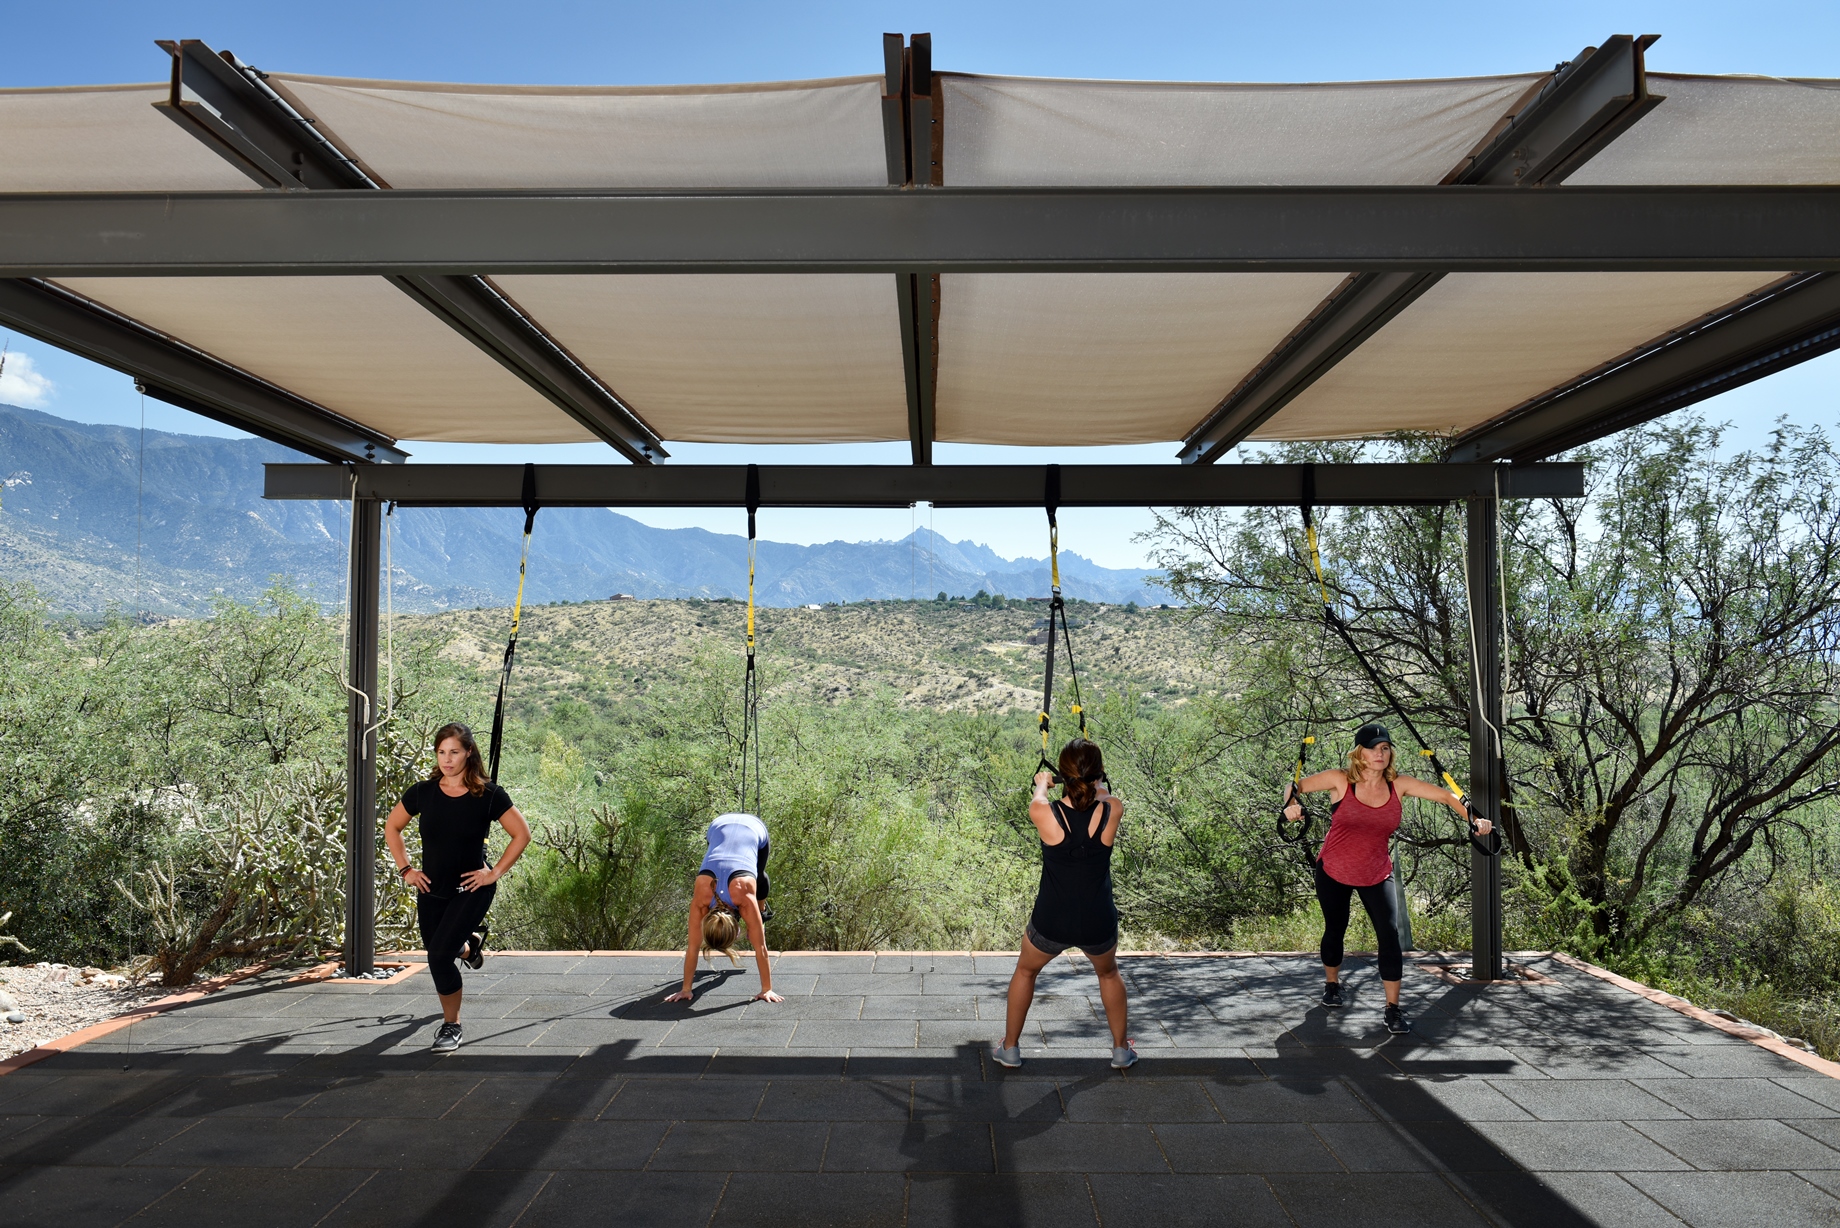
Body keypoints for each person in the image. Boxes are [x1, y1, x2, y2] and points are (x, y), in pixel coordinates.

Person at [1282, 722, 1491, 1034]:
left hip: (1377, 871)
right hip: (1335, 869)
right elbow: (1293, 786)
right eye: (1372, 748)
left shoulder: (1399, 785)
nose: (1379, 753)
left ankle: (1392, 1008)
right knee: (1336, 928)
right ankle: (1332, 984)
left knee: (1389, 935)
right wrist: (1291, 805)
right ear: (1359, 753)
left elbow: (1448, 797)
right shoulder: (1340, 780)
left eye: (1385, 748)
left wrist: (1476, 819)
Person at [384, 722, 531, 1053]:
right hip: (432, 889)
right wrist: (406, 869)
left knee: (438, 957)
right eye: (441, 752)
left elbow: (521, 834)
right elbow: (392, 827)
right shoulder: (422, 792)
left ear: (468, 753)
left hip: (472, 889)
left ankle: (452, 1025)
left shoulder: (488, 795)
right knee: (442, 950)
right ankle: (469, 947)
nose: (447, 759)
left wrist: (493, 873)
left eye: (454, 752)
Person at [994, 738, 1134, 1071]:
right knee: (1109, 974)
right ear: (1098, 774)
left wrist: (1043, 782)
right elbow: (1102, 796)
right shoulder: (1113, 809)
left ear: (1064, 774)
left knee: (1026, 971)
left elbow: (1039, 798)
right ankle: (1120, 1051)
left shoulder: (1043, 812)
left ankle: (1010, 1048)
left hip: (1051, 920)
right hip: (1097, 919)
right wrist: (1096, 782)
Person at [665, 812, 781, 1004]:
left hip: (753, 828)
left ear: (736, 929)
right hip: (718, 825)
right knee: (755, 926)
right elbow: (693, 948)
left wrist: (767, 989)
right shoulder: (701, 900)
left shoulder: (744, 897)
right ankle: (755, 923)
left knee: (760, 877)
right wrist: (685, 989)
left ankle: (760, 915)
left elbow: (761, 947)